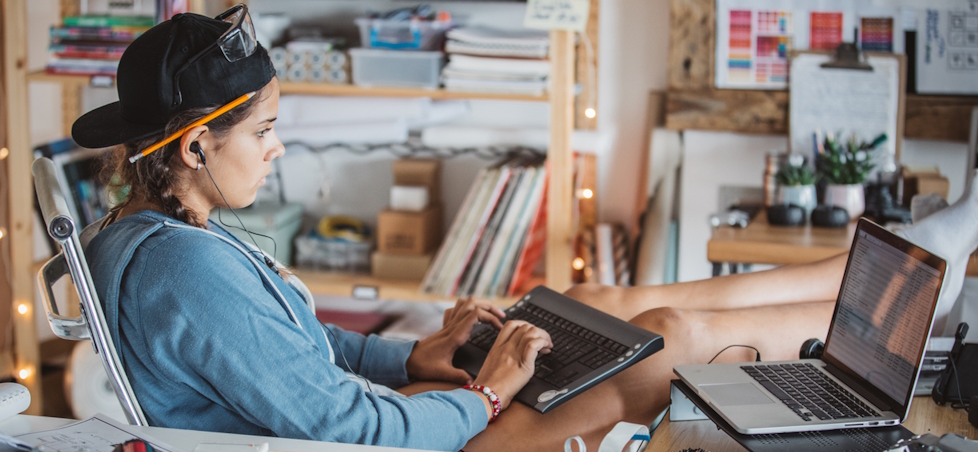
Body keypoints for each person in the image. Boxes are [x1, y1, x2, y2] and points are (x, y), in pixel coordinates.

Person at [74, 8, 978, 452]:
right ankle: (915, 300)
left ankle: (909, 269)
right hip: (397, 448)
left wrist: (421, 358)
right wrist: (485, 395)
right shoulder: (181, 272)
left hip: (403, 416)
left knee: (592, 303)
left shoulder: (165, 231)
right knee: (660, 350)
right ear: (197, 145)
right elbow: (346, 430)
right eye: (265, 131)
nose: (278, 150)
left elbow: (303, 354)